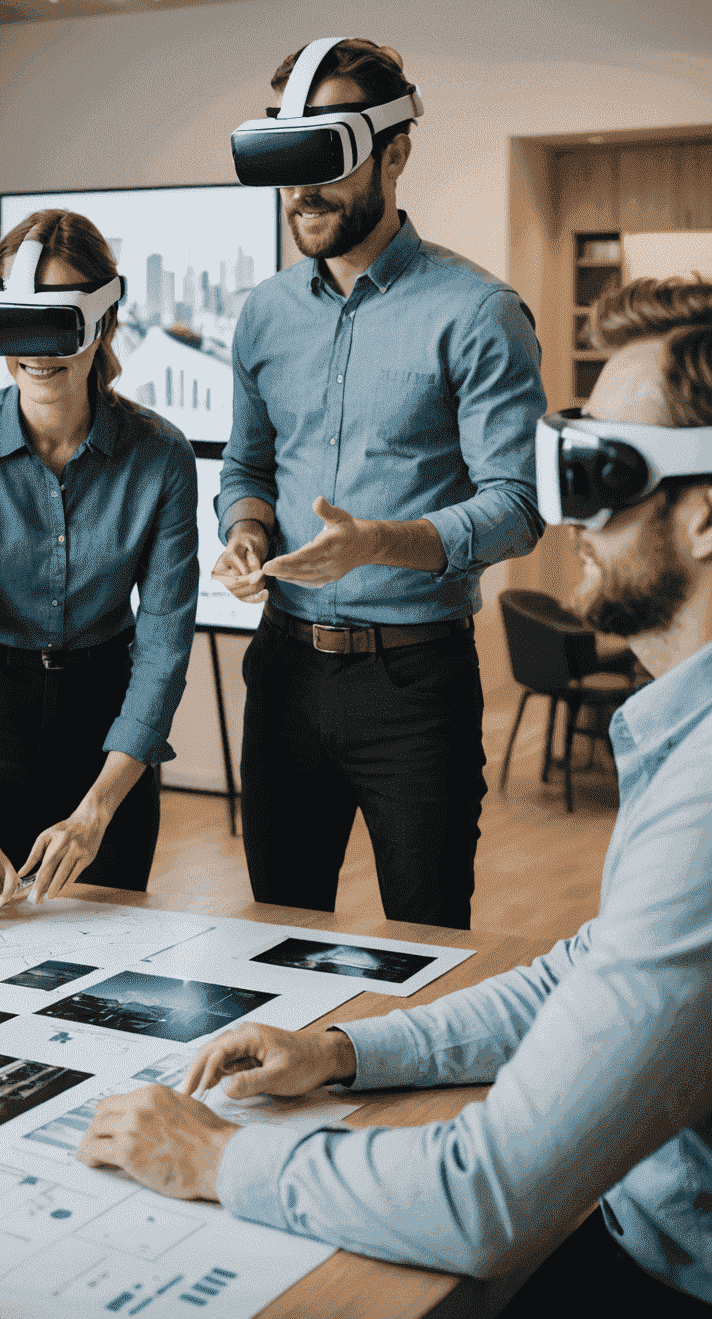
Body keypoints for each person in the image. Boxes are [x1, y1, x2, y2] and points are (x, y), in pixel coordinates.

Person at [77, 277, 712, 1312]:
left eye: (601, 473)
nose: (568, 519)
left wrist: (214, 1160)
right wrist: (341, 1049)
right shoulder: (682, 740)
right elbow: (591, 972)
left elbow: (490, 1195)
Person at [214, 38, 547, 929]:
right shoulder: (266, 314)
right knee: (278, 935)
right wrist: (247, 533)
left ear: (394, 153)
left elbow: (518, 507)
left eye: (327, 161)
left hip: (415, 686)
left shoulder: (479, 314)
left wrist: (380, 545)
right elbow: (247, 467)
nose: (303, 192)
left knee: (426, 939)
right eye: (289, 165)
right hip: (283, 671)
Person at [0, 208, 199, 927]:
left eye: (59, 320)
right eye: (18, 320)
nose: (37, 348)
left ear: (101, 321)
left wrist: (98, 810)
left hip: (105, 734)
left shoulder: (160, 457)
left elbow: (162, 648)